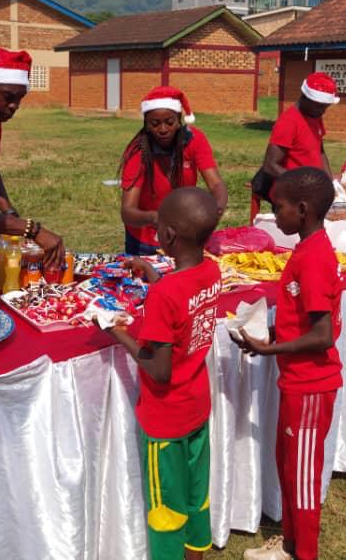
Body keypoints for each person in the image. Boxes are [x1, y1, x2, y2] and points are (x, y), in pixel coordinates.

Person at [104, 187, 222, 560]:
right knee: (196, 495)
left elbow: (159, 370)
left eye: (158, 224)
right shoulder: (211, 270)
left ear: (168, 235)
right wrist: (155, 275)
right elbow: (184, 305)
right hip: (196, 407)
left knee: (166, 509)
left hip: (165, 420)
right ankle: (196, 553)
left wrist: (117, 332)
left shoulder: (164, 295)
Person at [236, 168, 342, 560]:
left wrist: (270, 351)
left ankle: (304, 553)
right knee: (289, 466)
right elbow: (302, 320)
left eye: (277, 207)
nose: (273, 214)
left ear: (302, 209)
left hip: (311, 385)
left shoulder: (314, 258)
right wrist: (272, 334)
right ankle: (290, 545)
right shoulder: (306, 248)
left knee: (303, 476)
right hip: (296, 381)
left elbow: (323, 335)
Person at [0, 47, 64, 267]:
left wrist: (7, 210)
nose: (14, 106)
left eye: (20, 98)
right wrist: (31, 229)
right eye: (8, 97)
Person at [120, 86, 228, 255]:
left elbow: (216, 184)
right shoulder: (138, 152)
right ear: (146, 125)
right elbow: (127, 212)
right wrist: (155, 218)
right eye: (155, 124)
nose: (163, 129)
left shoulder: (194, 140)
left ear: (179, 121)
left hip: (185, 234)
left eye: (169, 122)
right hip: (145, 240)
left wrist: (218, 207)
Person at [258, 73, 339, 200]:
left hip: (313, 189)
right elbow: (270, 166)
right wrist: (304, 184)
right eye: (319, 106)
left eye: (325, 107)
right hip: (293, 194)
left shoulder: (314, 116)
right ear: (305, 97)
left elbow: (320, 151)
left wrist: (330, 183)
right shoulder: (288, 122)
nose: (322, 111)